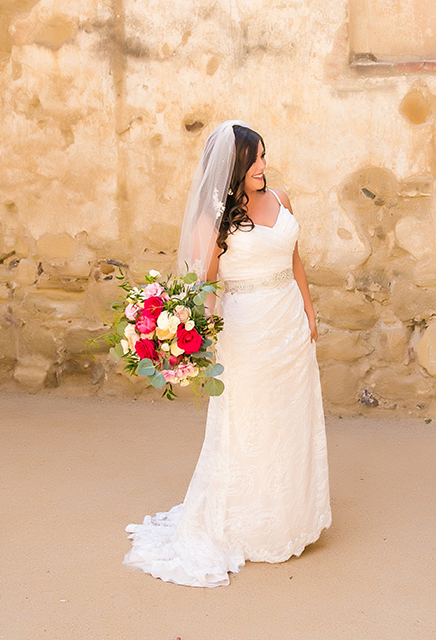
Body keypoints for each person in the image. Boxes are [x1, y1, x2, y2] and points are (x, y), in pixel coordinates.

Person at [123, 120, 331, 587]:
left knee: (290, 418)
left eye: (264, 155)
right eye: (254, 158)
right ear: (235, 165)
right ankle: (246, 524)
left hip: (289, 327)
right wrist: (201, 330)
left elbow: (295, 258)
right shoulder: (213, 220)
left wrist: (309, 308)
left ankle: (288, 519)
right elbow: (206, 282)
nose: (262, 165)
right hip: (247, 331)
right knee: (249, 422)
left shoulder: (281, 199)